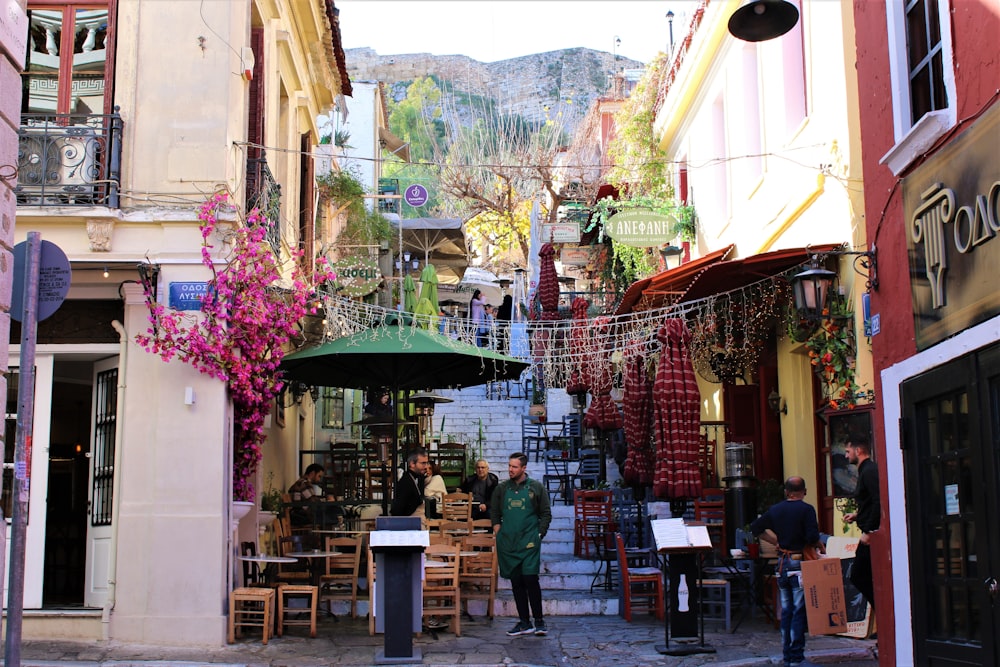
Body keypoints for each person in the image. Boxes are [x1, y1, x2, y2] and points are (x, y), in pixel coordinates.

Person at [751, 477, 824, 667]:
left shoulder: (776, 510)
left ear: (786, 492)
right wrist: (817, 543)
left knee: (786, 610)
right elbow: (812, 536)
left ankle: (787, 656)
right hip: (799, 562)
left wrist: (776, 542)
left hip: (782, 563)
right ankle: (797, 657)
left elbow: (756, 528)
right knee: (799, 610)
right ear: (804, 492)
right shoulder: (807, 510)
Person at [491, 452, 552, 637]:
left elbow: (546, 513)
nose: (510, 469)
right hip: (508, 543)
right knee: (516, 582)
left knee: (531, 580)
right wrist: (497, 529)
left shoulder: (536, 488)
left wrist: (539, 533)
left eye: (514, 466)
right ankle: (524, 622)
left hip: (529, 543)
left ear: (524, 468)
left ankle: (539, 622)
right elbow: (494, 511)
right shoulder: (501, 489)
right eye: (509, 466)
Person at [843, 434, 880, 613]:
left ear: (858, 451)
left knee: (859, 575)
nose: (846, 455)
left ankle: (882, 612)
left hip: (871, 535)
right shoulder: (866, 470)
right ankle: (881, 616)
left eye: (848, 451)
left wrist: (871, 530)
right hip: (868, 532)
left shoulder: (869, 470)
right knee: (863, 576)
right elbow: (870, 501)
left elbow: (878, 500)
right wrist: (857, 515)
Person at [288, 463, 343, 528]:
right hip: (303, 516)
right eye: (319, 476)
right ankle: (337, 535)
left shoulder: (301, 483)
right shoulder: (304, 484)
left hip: (301, 514)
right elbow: (314, 502)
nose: (319, 479)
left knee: (334, 513)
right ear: (312, 473)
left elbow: (312, 500)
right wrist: (328, 501)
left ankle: (333, 534)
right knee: (336, 512)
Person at [390, 448, 428, 522]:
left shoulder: (419, 478)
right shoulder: (405, 482)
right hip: (409, 524)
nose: (426, 466)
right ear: (412, 464)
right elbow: (398, 509)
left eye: (426, 463)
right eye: (423, 463)